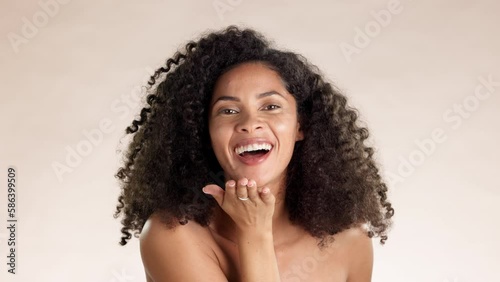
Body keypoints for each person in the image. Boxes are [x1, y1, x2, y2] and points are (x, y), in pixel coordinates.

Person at [114, 25, 394, 282]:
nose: (249, 123)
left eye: (271, 106)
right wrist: (255, 234)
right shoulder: (173, 235)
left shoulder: (349, 241)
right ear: (205, 132)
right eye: (228, 111)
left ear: (301, 125)